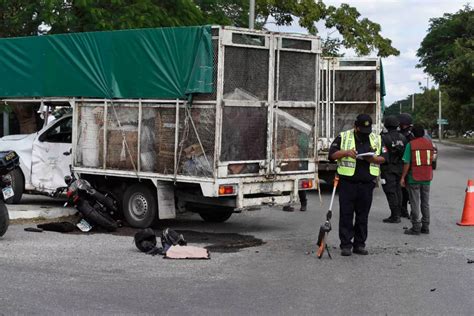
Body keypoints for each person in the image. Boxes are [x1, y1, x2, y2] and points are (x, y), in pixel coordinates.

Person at [329, 114, 387, 256]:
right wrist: (345, 153)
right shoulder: (343, 136)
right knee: (346, 215)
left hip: (367, 184)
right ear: (356, 127)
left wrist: (372, 159)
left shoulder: (376, 138)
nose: (365, 133)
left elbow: (384, 158)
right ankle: (346, 245)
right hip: (347, 183)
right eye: (362, 130)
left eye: (367, 130)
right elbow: (332, 155)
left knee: (363, 216)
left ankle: (359, 245)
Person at [400, 125, 434, 235]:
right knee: (425, 203)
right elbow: (431, 159)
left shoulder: (411, 145)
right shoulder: (429, 144)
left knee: (414, 202)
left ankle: (415, 227)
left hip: (414, 177)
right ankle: (425, 226)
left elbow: (407, 162)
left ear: (413, 134)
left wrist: (403, 177)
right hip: (427, 177)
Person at [381, 115, 407, 223]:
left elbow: (381, 152)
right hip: (400, 167)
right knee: (398, 190)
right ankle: (398, 213)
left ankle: (395, 215)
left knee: (390, 191)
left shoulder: (383, 137)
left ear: (386, 125)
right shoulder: (403, 137)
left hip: (388, 168)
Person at [398, 113, 414, 218]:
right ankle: (404, 210)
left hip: (407, 164)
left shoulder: (409, 135)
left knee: (407, 190)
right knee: (404, 190)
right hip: (404, 163)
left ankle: (409, 211)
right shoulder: (406, 133)